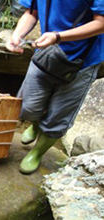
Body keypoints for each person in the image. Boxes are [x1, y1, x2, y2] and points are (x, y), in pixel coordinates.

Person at [6, 0, 104, 174]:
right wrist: (17, 35)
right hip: (46, 53)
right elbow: (32, 12)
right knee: (27, 106)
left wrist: (58, 36)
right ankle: (35, 126)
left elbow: (101, 23)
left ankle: (37, 152)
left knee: (58, 116)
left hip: (82, 61)